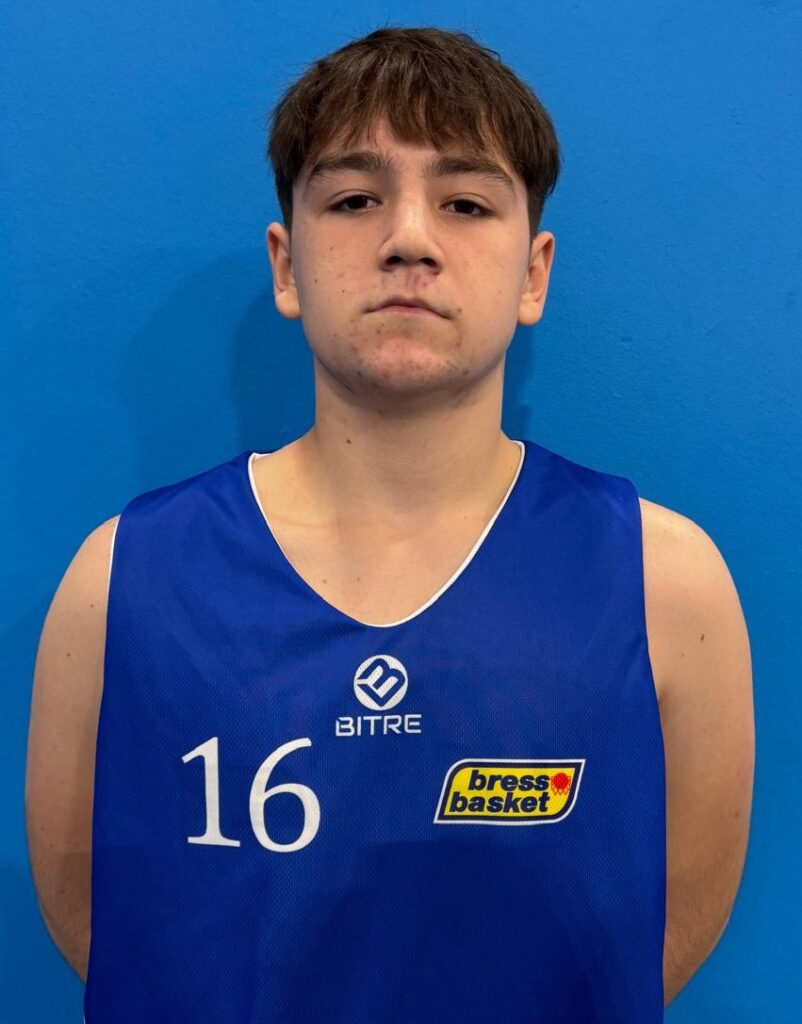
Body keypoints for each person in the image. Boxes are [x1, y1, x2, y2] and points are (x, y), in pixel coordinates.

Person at [25, 25, 754, 1023]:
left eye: (465, 203)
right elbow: (97, 915)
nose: (409, 239)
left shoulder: (664, 579)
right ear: (286, 265)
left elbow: (660, 930)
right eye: (354, 200)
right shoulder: (121, 579)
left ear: (533, 274)